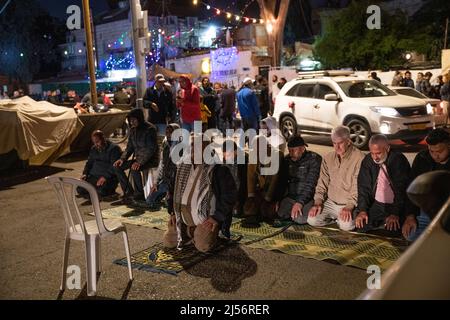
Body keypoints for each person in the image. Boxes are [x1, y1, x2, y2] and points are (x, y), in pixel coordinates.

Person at [163, 136, 238, 252]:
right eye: (193, 146)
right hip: (182, 218)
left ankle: (199, 232)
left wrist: (216, 218)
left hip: (207, 221)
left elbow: (230, 195)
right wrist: (172, 212)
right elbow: (171, 190)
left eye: (200, 147)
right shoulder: (181, 165)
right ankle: (190, 231)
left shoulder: (218, 169)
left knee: (203, 246)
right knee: (168, 242)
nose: (195, 150)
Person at [307, 126, 365, 231]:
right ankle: (335, 219)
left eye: (340, 143)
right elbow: (322, 182)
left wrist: (349, 206)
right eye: (334, 143)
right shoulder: (328, 157)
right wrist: (318, 202)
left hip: (347, 204)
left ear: (348, 141)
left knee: (346, 226)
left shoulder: (359, 158)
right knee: (312, 220)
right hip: (330, 202)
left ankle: (341, 220)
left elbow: (357, 186)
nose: (337, 147)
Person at [355, 135, 411, 235]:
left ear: (387, 149)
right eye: (372, 153)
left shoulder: (398, 160)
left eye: (378, 153)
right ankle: (382, 222)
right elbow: (363, 187)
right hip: (377, 204)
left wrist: (395, 213)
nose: (375, 157)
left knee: (394, 230)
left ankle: (384, 222)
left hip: (394, 205)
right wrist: (362, 210)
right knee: (361, 225)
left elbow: (402, 189)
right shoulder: (368, 160)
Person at [402, 129, 450, 241]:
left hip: (447, 213)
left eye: (439, 151)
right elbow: (411, 186)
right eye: (431, 151)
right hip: (425, 212)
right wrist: (410, 216)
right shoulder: (422, 158)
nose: (435, 155)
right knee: (411, 235)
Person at [113, 109, 159, 203]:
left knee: (135, 169)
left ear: (139, 119)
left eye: (134, 120)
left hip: (150, 159)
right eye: (130, 120)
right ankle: (128, 191)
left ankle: (139, 194)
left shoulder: (150, 129)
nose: (131, 122)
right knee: (117, 167)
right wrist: (122, 159)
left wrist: (139, 162)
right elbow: (129, 147)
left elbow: (150, 149)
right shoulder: (133, 130)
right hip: (138, 160)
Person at [275, 135, 322, 226]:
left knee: (300, 219)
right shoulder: (287, 160)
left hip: (308, 198)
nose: (291, 153)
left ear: (302, 149)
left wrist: (300, 203)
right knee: (279, 213)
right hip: (291, 196)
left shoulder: (314, 159)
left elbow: (311, 184)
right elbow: (282, 182)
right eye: (289, 150)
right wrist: (278, 199)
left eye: (294, 150)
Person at [243, 135, 285, 226]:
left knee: (268, 212)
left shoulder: (277, 155)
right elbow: (251, 176)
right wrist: (251, 196)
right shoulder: (253, 154)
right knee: (248, 209)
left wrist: (267, 199)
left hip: (275, 192)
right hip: (261, 189)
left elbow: (275, 179)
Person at [146, 123, 181, 212]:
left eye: (171, 132)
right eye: (167, 132)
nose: (168, 134)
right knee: (149, 200)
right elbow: (162, 165)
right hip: (165, 181)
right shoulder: (165, 145)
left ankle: (169, 197)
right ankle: (165, 196)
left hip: (176, 183)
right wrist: (156, 183)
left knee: (170, 204)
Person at [78, 130, 121, 198]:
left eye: (97, 142)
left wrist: (105, 177)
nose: (96, 144)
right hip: (94, 176)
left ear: (103, 138)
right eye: (94, 142)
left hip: (107, 177)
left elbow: (114, 166)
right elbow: (89, 163)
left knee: (101, 191)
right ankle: (94, 189)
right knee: (80, 189)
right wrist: (85, 173)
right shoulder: (94, 148)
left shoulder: (114, 148)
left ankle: (103, 190)